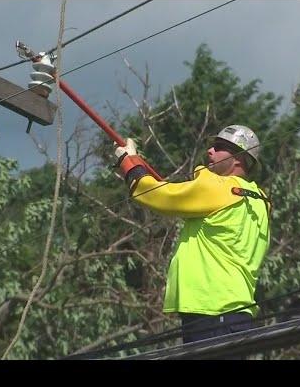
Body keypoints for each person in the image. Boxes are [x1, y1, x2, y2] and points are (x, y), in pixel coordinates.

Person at [114, 125, 271, 351]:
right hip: (236, 314)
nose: (210, 151)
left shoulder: (220, 188)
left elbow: (153, 194)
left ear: (239, 159)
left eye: (218, 148)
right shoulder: (261, 201)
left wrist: (129, 162)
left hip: (213, 310)